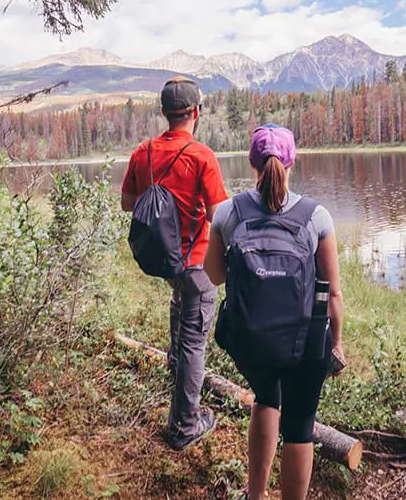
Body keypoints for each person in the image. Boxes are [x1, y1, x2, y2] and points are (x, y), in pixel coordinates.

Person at [204, 124, 345, 500]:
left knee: (266, 398)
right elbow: (332, 291)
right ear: (292, 162)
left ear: (252, 163)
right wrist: (337, 344)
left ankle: (255, 494)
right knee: (300, 425)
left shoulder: (228, 212)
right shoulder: (317, 216)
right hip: (306, 343)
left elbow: (215, 275)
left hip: (251, 338)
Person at [121, 77, 229, 450]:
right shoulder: (201, 156)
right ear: (196, 112)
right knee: (195, 340)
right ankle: (185, 425)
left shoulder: (143, 152)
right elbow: (219, 216)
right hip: (196, 261)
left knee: (180, 308)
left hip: (165, 259)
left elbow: (128, 203)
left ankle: (176, 371)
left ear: (165, 112)